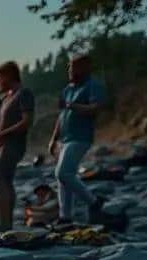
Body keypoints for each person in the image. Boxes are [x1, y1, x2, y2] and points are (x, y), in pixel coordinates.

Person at [49, 54, 106, 224]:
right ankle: (65, 216)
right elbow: (61, 116)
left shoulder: (93, 85)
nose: (70, 70)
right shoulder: (67, 90)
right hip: (65, 138)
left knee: (63, 173)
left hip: (81, 137)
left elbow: (95, 108)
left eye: (74, 67)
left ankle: (93, 202)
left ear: (85, 68)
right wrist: (53, 139)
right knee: (63, 177)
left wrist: (72, 106)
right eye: (69, 67)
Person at [0, 61, 34, 231]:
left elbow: (27, 122)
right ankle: (5, 221)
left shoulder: (23, 93)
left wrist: (0, 135)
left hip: (13, 143)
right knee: (2, 180)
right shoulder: (7, 98)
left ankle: (4, 223)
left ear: (9, 76)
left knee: (0, 178)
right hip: (0, 145)